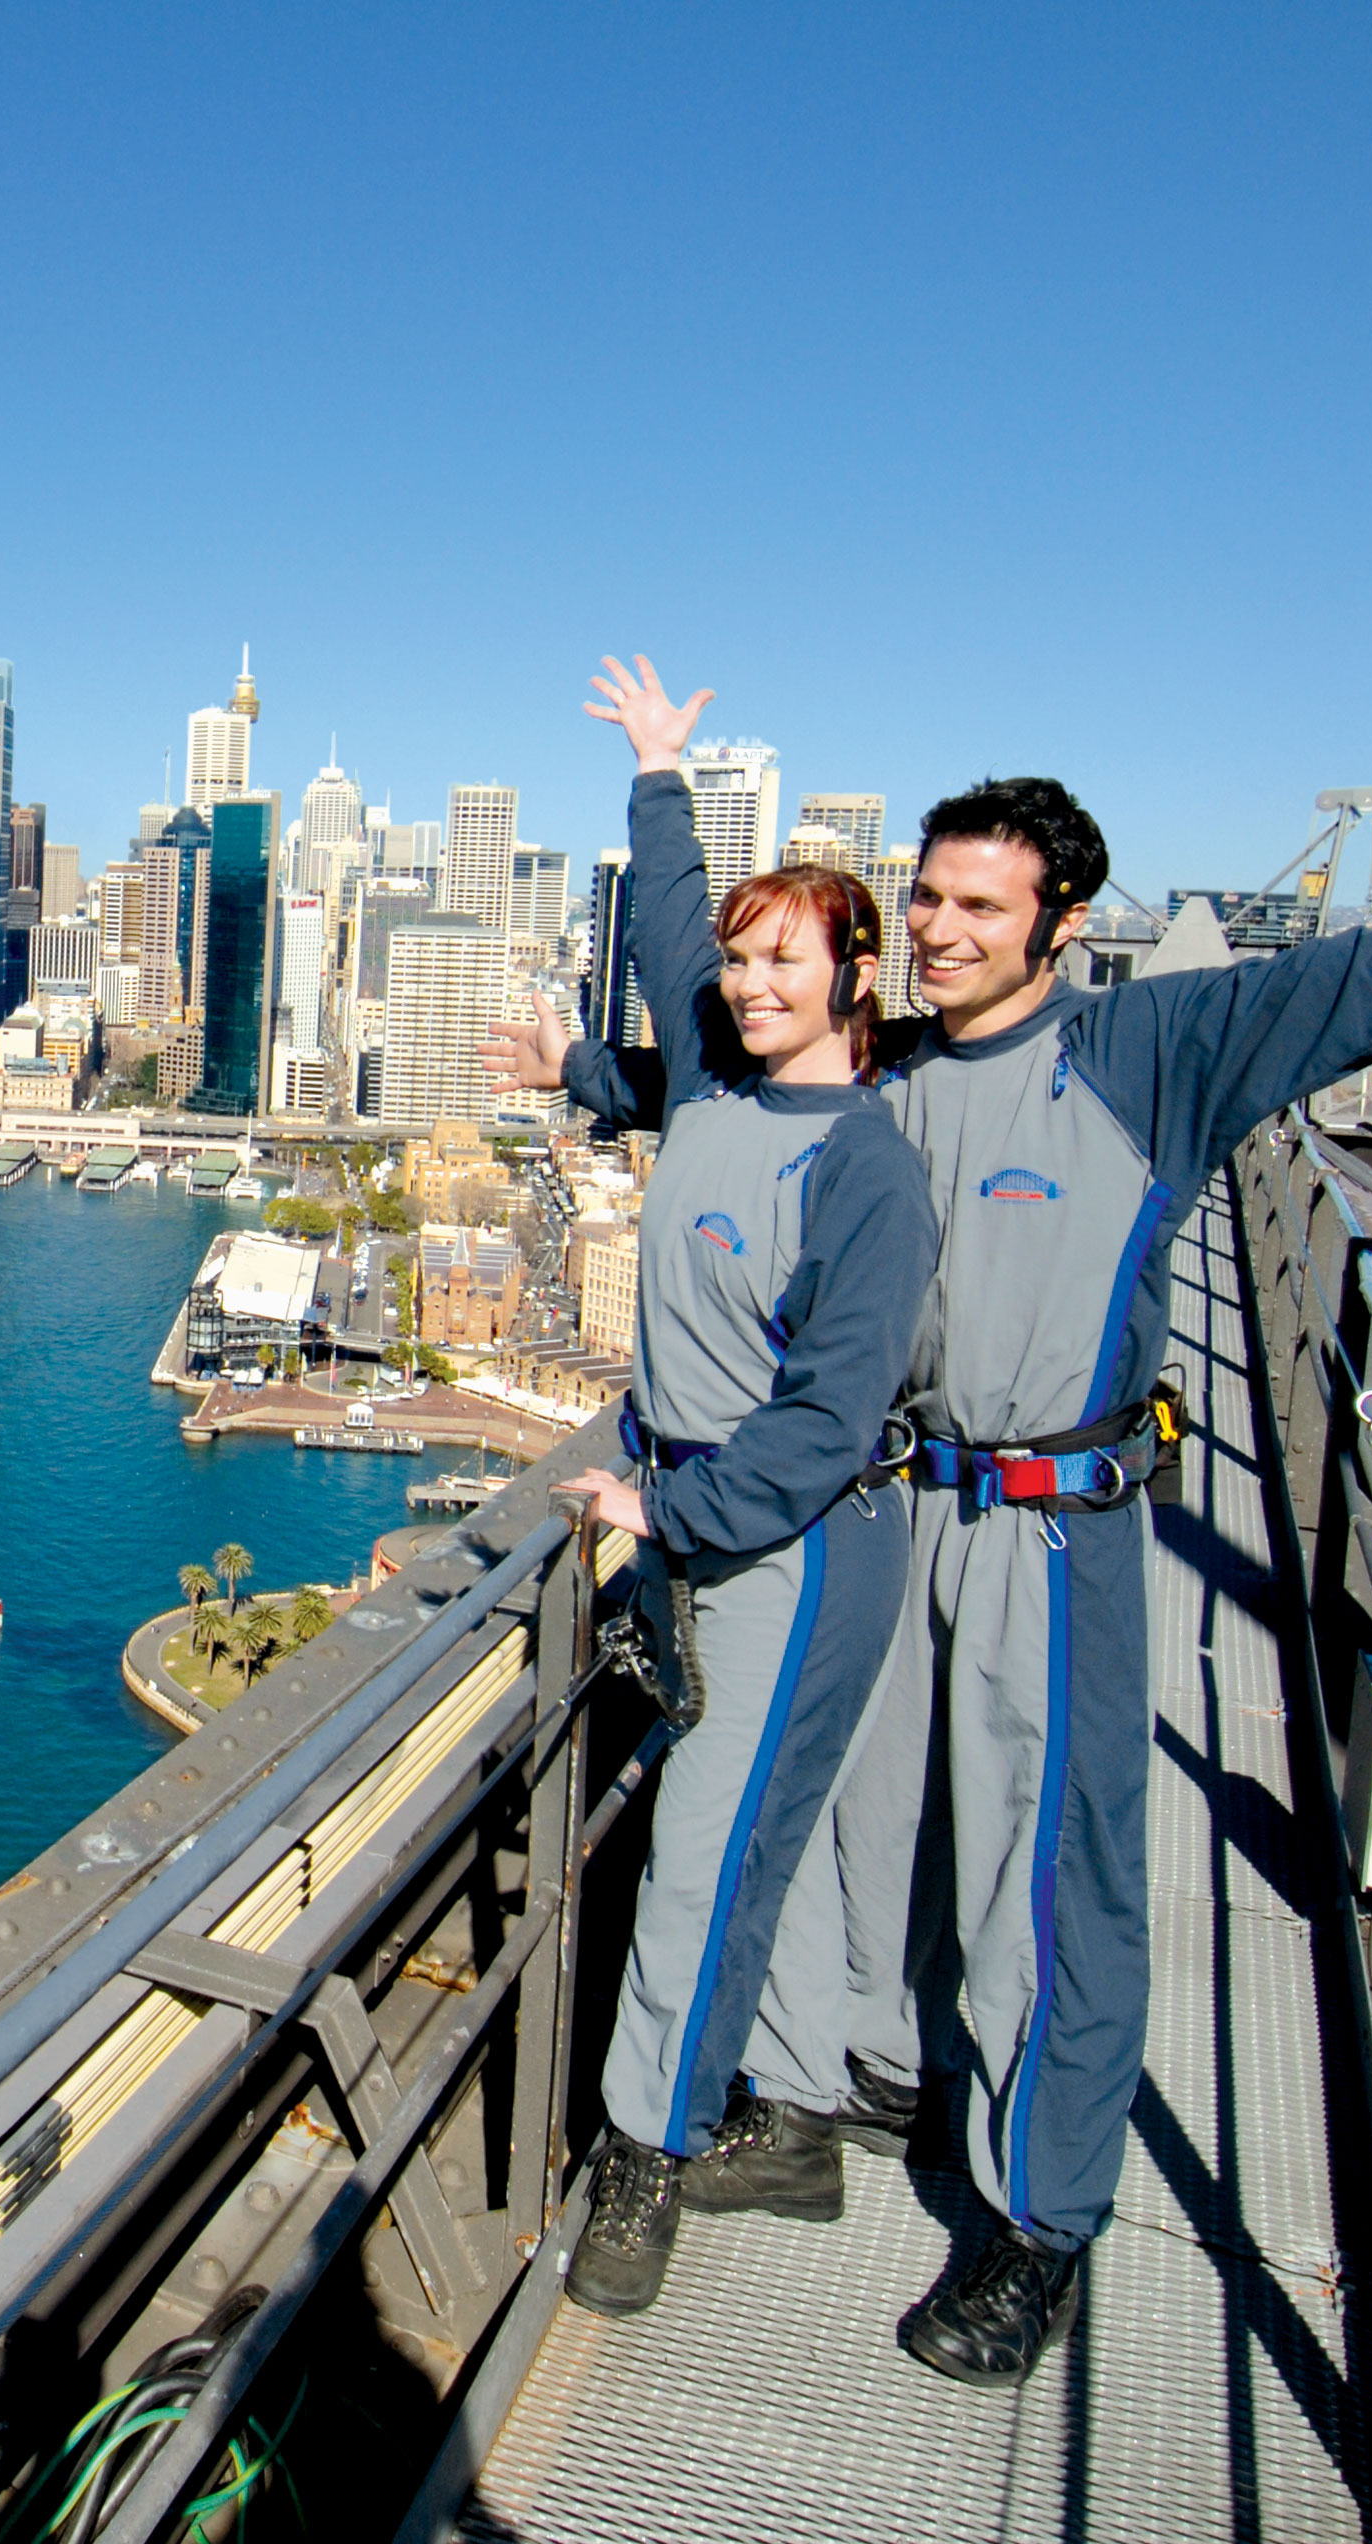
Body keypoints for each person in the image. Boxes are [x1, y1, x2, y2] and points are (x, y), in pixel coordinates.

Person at [493, 647, 1372, 2383]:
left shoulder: (1161, 1049)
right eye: (924, 897)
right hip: (890, 1507)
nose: (939, 928)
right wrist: (589, 1040)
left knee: (1047, 1869)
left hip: (1057, 1530)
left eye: (979, 907)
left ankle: (1040, 2224)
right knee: (856, 1827)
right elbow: (708, 1078)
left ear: (1062, 922)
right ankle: (820, 2094)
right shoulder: (899, 1064)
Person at [474, 857, 937, 2317]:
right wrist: (660, 781)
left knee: (697, 1860)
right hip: (712, 1525)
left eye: (786, 963)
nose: (749, 987)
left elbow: (828, 1421)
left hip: (798, 1549)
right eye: (741, 965)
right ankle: (794, 2123)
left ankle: (643, 2160)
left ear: (857, 977)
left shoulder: (868, 1167)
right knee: (758, 1838)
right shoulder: (713, 1097)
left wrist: (666, 1504)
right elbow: (671, 953)